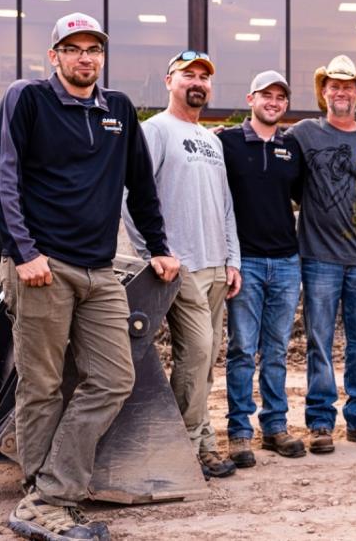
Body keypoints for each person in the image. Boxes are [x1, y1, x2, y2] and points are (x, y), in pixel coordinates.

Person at [0, 12, 180, 540]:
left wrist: (159, 248)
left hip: (99, 271)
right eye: (73, 49)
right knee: (42, 385)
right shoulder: (28, 99)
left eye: (93, 48)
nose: (84, 57)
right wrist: (24, 252)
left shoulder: (117, 110)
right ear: (54, 56)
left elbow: (140, 186)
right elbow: (3, 177)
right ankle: (45, 498)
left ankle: (49, 492)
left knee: (114, 378)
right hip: (43, 267)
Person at [124, 49, 242, 479]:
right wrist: (152, 252)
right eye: (187, 74)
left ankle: (201, 436)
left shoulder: (212, 140)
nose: (197, 82)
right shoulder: (154, 131)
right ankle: (187, 444)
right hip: (181, 266)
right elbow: (131, 197)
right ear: (169, 82)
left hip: (215, 265)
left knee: (205, 359)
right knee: (197, 352)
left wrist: (233, 258)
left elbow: (225, 205)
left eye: (204, 77)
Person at [288, 54, 356, 453]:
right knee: (318, 339)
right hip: (318, 258)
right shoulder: (304, 134)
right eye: (333, 85)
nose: (341, 91)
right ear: (323, 91)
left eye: (348, 85)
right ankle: (319, 421)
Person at [218, 70, 307, 463]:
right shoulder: (227, 142)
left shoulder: (292, 149)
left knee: (276, 350)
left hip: (287, 262)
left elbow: (305, 199)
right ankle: (239, 431)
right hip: (245, 263)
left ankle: (275, 427)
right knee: (241, 349)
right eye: (266, 95)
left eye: (280, 97)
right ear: (250, 98)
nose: (273, 102)